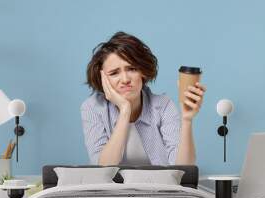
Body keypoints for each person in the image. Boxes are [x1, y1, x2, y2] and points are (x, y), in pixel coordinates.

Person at [81, 31, 206, 166]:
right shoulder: (92, 108)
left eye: (132, 69)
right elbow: (103, 168)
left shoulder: (163, 106)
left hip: (159, 186)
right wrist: (124, 111)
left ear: (143, 72)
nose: (125, 79)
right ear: (103, 79)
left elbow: (183, 170)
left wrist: (187, 119)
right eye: (114, 73)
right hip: (113, 187)